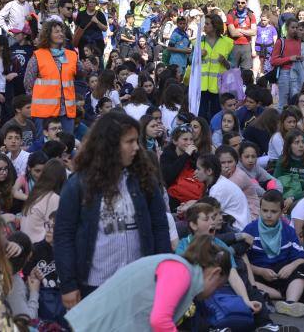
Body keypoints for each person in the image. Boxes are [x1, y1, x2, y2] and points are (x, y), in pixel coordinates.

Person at [54, 112, 170, 309]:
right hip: (95, 285)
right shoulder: (79, 184)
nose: (136, 147)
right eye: (129, 141)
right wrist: (68, 284)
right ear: (111, 145)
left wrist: (164, 272)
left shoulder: (144, 180)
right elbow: (63, 235)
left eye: (137, 141)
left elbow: (159, 226)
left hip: (139, 282)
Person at [62, 235, 230, 331]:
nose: (213, 294)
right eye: (218, 287)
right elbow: (160, 320)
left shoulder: (178, 268)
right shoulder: (180, 272)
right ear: (215, 273)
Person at [244, 190, 304, 318]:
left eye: (273, 212)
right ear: (260, 209)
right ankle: (283, 296)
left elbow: (301, 258)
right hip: (259, 273)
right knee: (245, 278)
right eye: (265, 210)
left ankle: (290, 303)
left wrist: (290, 267)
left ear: (281, 212)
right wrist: (260, 271)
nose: (268, 215)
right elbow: (242, 260)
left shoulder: (288, 231)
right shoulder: (249, 230)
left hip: (282, 273)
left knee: (302, 270)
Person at [25, 20, 88, 139]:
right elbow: (28, 83)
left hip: (66, 112)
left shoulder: (71, 55)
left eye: (62, 31)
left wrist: (87, 69)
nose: (61, 34)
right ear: (48, 35)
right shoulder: (38, 56)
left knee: (66, 145)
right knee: (44, 147)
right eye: (56, 32)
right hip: (44, 113)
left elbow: (81, 73)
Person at [195, 154, 252, 231]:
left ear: (209, 171)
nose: (195, 172)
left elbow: (207, 214)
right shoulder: (217, 182)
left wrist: (189, 208)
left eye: (198, 169)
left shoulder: (219, 188)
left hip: (236, 228)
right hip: (230, 224)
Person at [198, 14, 234, 121]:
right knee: (201, 115)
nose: (204, 26)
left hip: (219, 87)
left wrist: (224, 62)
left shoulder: (228, 43)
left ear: (215, 26)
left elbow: (233, 65)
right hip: (201, 86)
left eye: (207, 24)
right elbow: (190, 61)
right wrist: (198, 56)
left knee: (217, 115)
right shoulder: (199, 41)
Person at [273, 130, 304, 212]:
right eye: (297, 143)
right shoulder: (282, 160)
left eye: (303, 142)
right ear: (289, 146)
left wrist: (292, 198)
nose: (301, 145)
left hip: (302, 197)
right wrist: (279, 198)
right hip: (282, 196)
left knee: (297, 206)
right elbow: (275, 182)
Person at [217, 146, 261, 220]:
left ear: (236, 162)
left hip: (250, 215)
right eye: (223, 163)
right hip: (236, 210)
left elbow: (221, 199)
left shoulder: (239, 176)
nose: (227, 165)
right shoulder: (220, 174)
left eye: (230, 162)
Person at [226, 0, 257, 71]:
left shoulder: (251, 15)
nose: (240, 4)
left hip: (246, 46)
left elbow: (254, 32)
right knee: (232, 71)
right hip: (233, 45)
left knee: (246, 72)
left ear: (246, 3)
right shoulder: (231, 15)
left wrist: (239, 30)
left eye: (243, 2)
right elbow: (233, 33)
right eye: (238, 2)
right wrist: (247, 32)